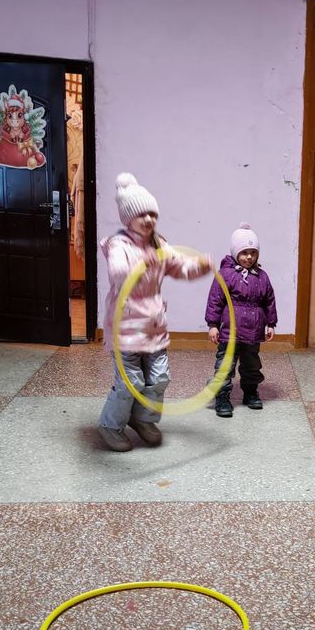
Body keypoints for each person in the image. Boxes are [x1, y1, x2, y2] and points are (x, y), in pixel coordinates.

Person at [96, 173, 212, 451]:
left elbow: (179, 266)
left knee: (159, 378)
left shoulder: (159, 243)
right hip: (125, 329)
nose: (148, 219)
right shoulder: (119, 244)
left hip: (153, 327)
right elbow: (118, 273)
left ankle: (143, 419)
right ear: (128, 218)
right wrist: (142, 263)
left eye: (152, 214)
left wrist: (199, 266)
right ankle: (110, 425)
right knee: (130, 383)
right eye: (141, 214)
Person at [206, 223, 278, 418]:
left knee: (251, 365)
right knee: (225, 364)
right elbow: (215, 300)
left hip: (253, 332)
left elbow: (269, 301)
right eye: (244, 252)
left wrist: (271, 323)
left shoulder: (262, 277)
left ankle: (250, 391)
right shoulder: (225, 275)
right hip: (230, 332)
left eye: (253, 253)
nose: (249, 257)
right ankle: (222, 396)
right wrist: (213, 325)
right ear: (235, 253)